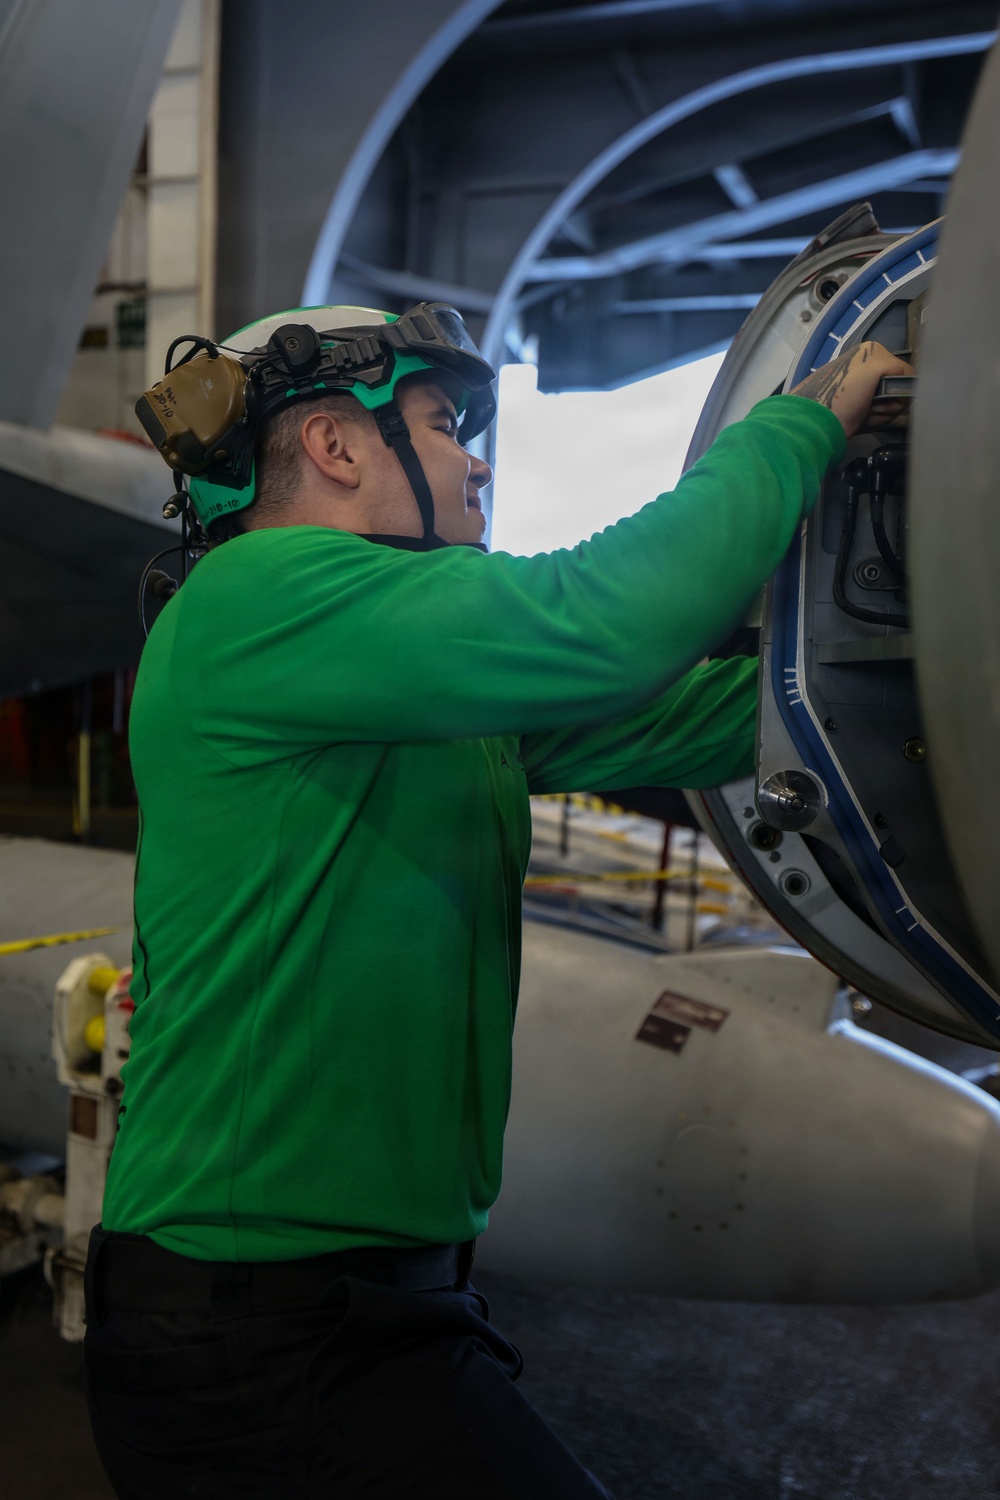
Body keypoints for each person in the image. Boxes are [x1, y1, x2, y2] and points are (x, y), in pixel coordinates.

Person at [82, 301, 909, 1499]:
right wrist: (797, 429)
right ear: (335, 446)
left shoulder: (409, 669)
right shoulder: (258, 596)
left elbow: (753, 710)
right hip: (253, 1334)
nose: (476, 457)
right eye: (440, 420)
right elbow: (610, 621)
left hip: (359, 1308)